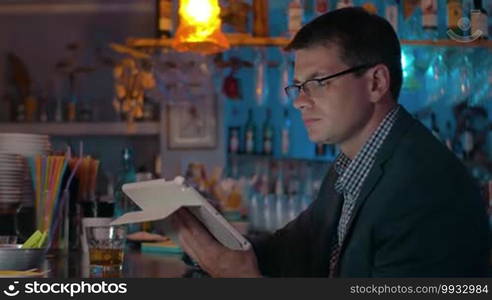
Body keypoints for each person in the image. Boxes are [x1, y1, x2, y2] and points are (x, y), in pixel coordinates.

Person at [170, 7, 490, 277]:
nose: (299, 101)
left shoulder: (424, 186)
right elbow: (297, 249)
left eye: (318, 83)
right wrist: (216, 240)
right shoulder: (351, 163)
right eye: (298, 86)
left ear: (376, 83)